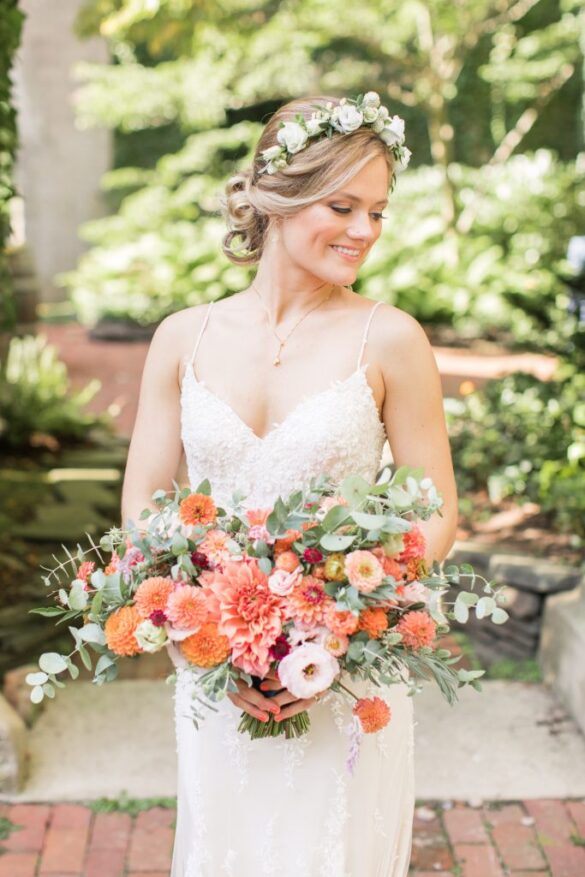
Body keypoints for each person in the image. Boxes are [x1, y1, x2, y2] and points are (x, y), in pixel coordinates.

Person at [121, 92, 458, 877]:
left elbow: (435, 511)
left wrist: (338, 631)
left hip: (345, 677)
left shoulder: (392, 339)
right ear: (274, 196)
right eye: (342, 205)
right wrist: (201, 636)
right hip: (215, 673)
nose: (364, 231)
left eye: (377, 210)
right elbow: (144, 506)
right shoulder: (183, 337)